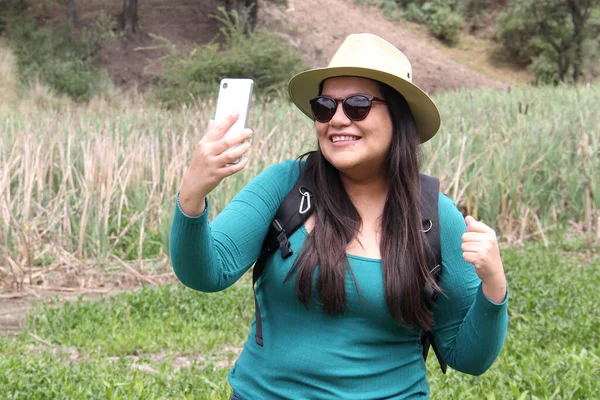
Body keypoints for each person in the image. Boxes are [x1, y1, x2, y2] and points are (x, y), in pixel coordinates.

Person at [170, 33, 508, 400]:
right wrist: (192, 195)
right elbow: (206, 272)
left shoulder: (434, 216)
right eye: (324, 106)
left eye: (358, 105)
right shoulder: (284, 185)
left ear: (399, 115)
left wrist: (494, 285)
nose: (338, 119)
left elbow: (468, 357)